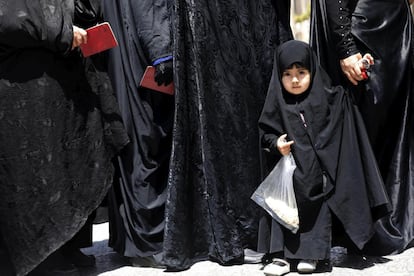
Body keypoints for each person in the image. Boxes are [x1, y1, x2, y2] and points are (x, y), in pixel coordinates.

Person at [160, 0, 294, 271]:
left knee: (251, 104)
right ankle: (232, 232)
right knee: (222, 107)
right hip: (214, 18)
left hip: (255, 18)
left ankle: (263, 230)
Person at [0, 0, 129, 275]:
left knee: (73, 162)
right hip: (25, 85)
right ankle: (42, 255)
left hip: (64, 81)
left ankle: (69, 243)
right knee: (39, 172)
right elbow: (9, 16)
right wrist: (60, 30)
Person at [257, 40, 390, 275]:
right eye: (287, 74)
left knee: (317, 210)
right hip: (289, 175)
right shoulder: (277, 101)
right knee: (283, 210)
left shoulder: (325, 96)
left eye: (301, 72)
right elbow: (265, 131)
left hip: (317, 175)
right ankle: (280, 257)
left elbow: (347, 99)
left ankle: (313, 255)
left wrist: (361, 69)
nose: (295, 80)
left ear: (312, 71)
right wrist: (276, 143)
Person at [310, 0, 414, 255]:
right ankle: (358, 227)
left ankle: (387, 220)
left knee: (392, 128)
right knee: (360, 128)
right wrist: (345, 45)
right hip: (360, 32)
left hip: (393, 30)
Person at [101, 0, 174, 267]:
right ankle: (147, 243)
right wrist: (163, 52)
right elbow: (150, 11)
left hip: (115, 56)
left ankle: (129, 242)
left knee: (128, 143)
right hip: (139, 57)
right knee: (145, 143)